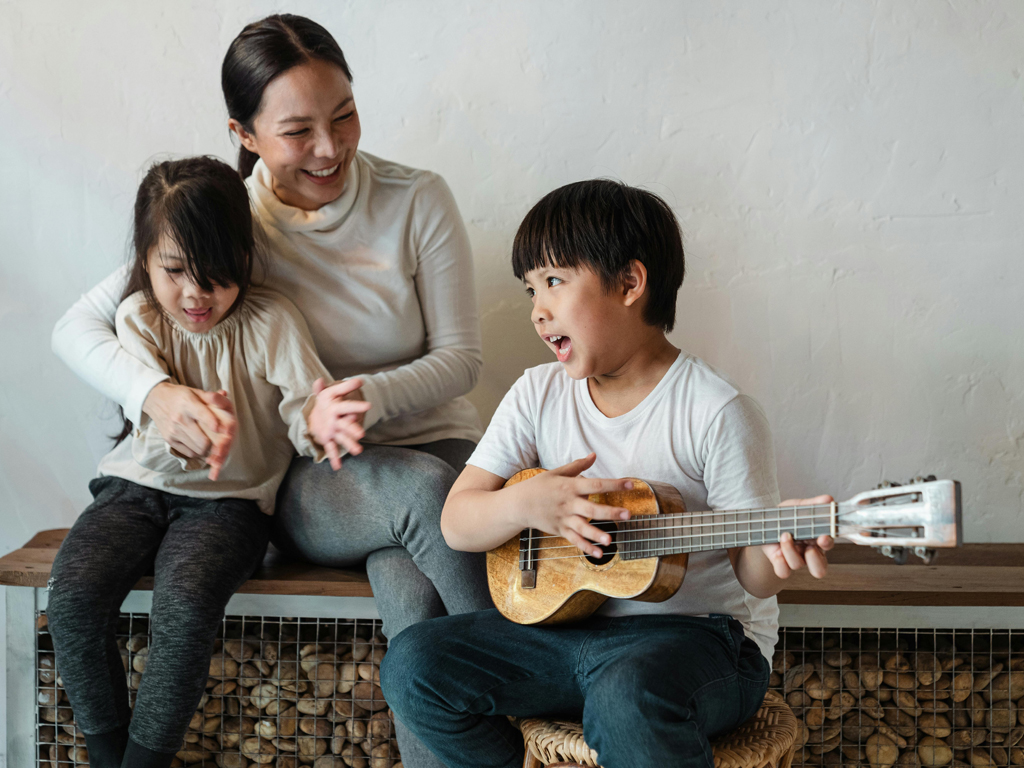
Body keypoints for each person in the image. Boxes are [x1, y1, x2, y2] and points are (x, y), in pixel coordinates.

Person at [51, 15, 492, 767]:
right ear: (246, 133)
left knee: (411, 598)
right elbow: (77, 327)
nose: (330, 147)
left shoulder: (417, 199)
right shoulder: (223, 223)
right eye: (298, 131)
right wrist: (156, 395)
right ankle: (533, 678)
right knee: (422, 492)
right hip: (321, 479)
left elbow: (461, 359)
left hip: (439, 447)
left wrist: (356, 400)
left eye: (344, 114)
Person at [379, 179, 836, 768]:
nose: (538, 310)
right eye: (530, 290)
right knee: (415, 663)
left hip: (699, 643)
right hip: (566, 636)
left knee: (627, 695)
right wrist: (529, 504)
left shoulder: (716, 411)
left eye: (554, 282)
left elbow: (753, 575)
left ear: (629, 282)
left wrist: (779, 556)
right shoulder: (536, 394)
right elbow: (457, 523)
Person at [46, 155, 367, 768]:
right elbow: (155, 424)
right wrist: (186, 430)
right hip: (132, 489)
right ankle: (111, 755)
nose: (195, 294)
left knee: (186, 607)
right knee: (72, 598)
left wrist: (321, 422)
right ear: (143, 260)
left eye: (216, 275)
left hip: (229, 505)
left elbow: (305, 409)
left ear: (243, 259)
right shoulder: (137, 317)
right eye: (174, 271)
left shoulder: (272, 322)